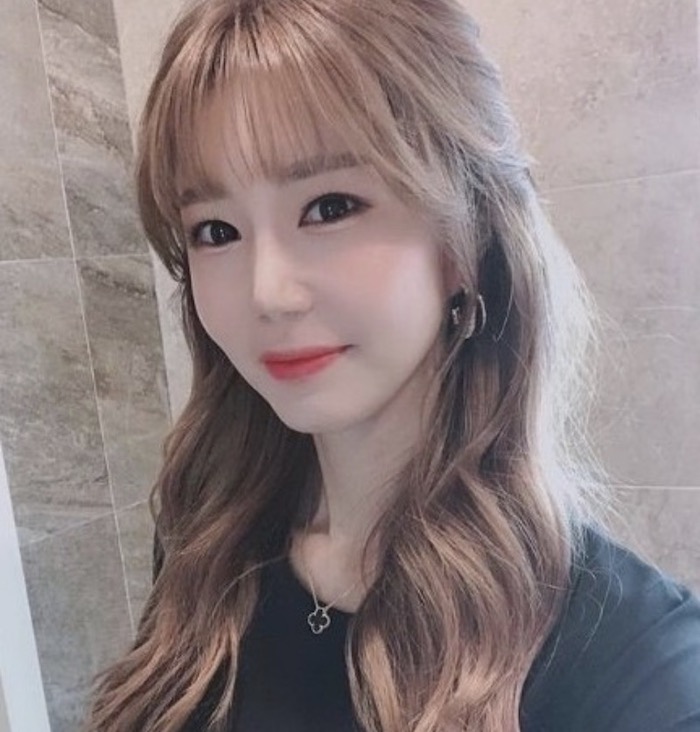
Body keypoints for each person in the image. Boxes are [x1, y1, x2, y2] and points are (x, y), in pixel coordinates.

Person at [82, 0, 700, 730]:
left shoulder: (634, 666)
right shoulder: (206, 537)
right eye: (216, 230)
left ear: (466, 239)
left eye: (330, 207)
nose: (267, 294)